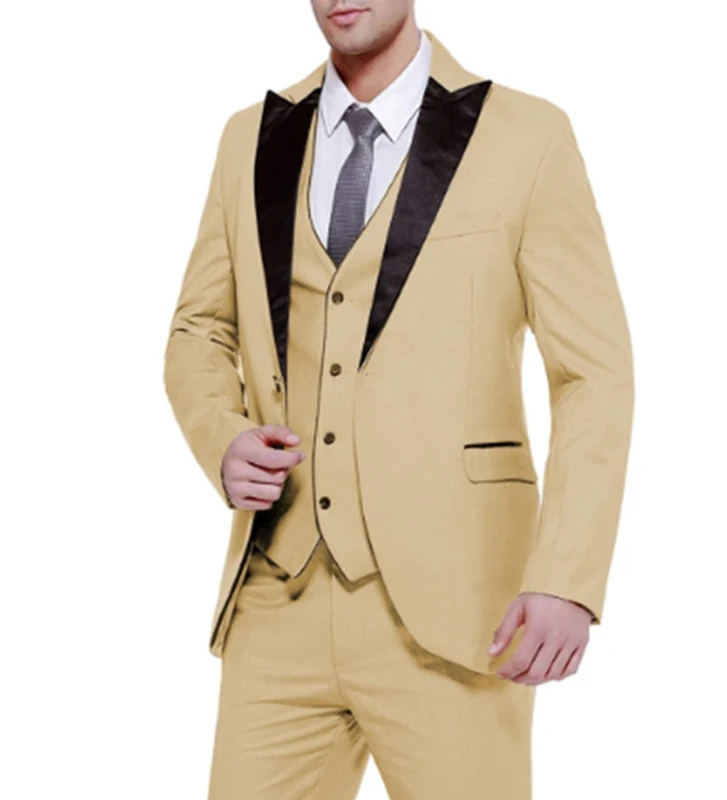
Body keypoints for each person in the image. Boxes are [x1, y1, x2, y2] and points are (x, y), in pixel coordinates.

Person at [163, 2, 635, 797]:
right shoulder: (250, 138)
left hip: (461, 604)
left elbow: (595, 373)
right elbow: (198, 329)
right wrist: (223, 435)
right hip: (278, 597)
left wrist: (565, 576)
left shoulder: (527, 137)